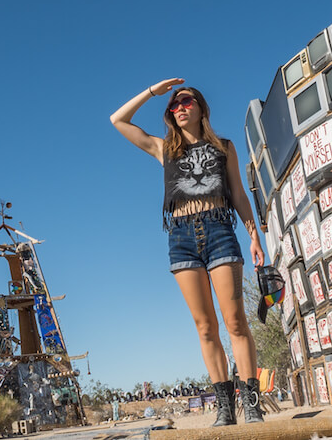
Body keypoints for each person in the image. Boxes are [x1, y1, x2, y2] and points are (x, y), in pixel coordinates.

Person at [110, 78, 265, 425]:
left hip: (219, 230)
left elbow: (238, 194)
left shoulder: (224, 147)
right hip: (180, 237)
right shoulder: (164, 149)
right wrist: (153, 92)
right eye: (174, 105)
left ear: (201, 109)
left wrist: (254, 237)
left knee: (235, 322)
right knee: (205, 327)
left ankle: (251, 403)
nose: (179, 107)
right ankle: (225, 408)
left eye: (186, 102)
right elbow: (117, 120)